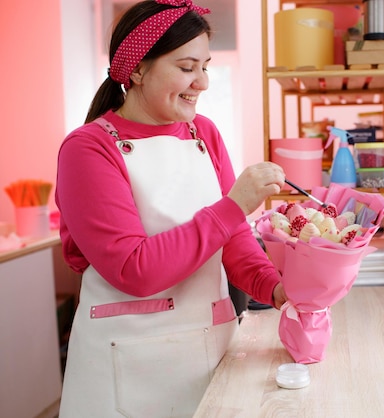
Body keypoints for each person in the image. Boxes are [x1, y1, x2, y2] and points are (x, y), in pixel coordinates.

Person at [55, 1, 287, 416]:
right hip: (126, 366)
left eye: (206, 66)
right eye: (186, 67)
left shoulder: (205, 134)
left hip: (210, 350)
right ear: (138, 70)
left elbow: (232, 242)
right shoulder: (88, 148)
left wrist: (279, 289)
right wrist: (234, 206)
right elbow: (134, 269)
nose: (202, 82)